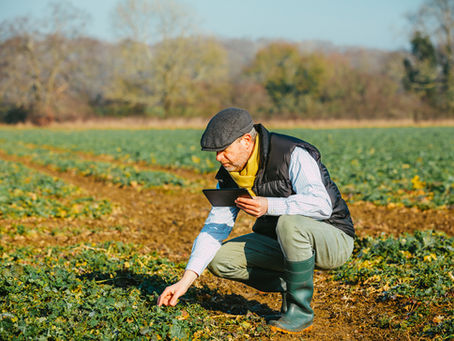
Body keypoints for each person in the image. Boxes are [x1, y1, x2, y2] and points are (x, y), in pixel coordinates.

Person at [157, 107, 355, 334]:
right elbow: (215, 228)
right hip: (282, 242)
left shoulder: (292, 153)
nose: (218, 158)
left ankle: (300, 311)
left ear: (246, 140)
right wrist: (185, 281)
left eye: (223, 150)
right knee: (219, 259)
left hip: (333, 238)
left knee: (289, 223)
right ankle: (290, 285)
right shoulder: (229, 175)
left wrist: (269, 205)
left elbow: (321, 205)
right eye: (215, 153)